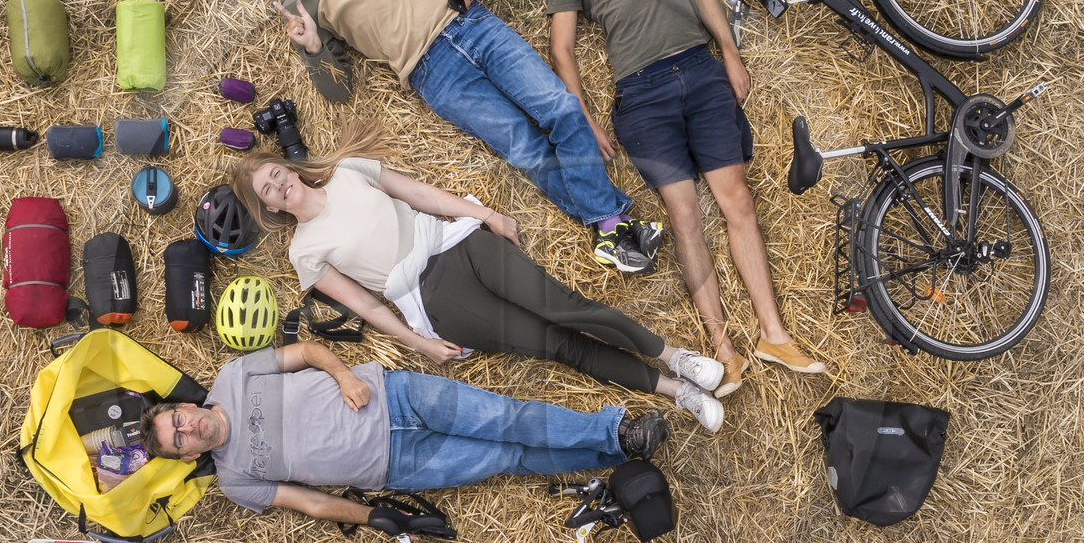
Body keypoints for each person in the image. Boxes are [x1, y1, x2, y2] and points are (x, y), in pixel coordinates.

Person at [220, 0, 664, 274]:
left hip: (472, 21)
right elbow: (339, 92)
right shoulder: (304, 7)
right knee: (523, 146)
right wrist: (313, 48)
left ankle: (610, 227)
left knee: (561, 108)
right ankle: (612, 223)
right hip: (432, 71)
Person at [230, 122, 728, 431]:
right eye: (267, 191)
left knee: (564, 308)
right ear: (267, 207)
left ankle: (675, 357)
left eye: (276, 173)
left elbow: (423, 195)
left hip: (458, 243)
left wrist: (485, 214)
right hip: (431, 297)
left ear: (287, 168)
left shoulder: (348, 170)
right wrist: (416, 343)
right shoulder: (305, 252)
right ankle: (677, 394)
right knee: (557, 347)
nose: (279, 185)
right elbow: (364, 305)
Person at [538, 0, 826, 390]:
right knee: (685, 214)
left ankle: (774, 336)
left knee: (737, 201)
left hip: (700, 70)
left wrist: (730, 54)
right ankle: (723, 350)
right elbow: (563, 50)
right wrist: (584, 118)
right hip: (642, 95)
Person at [138, 339, 672, 529]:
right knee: (509, 457)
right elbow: (309, 503)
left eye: (177, 419)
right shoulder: (234, 480)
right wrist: (377, 516)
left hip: (395, 395)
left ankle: (616, 430)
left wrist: (344, 375)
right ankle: (610, 450)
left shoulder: (235, 376)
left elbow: (304, 353)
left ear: (185, 404)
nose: (187, 429)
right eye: (178, 439)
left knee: (505, 418)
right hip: (397, 464)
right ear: (185, 459)